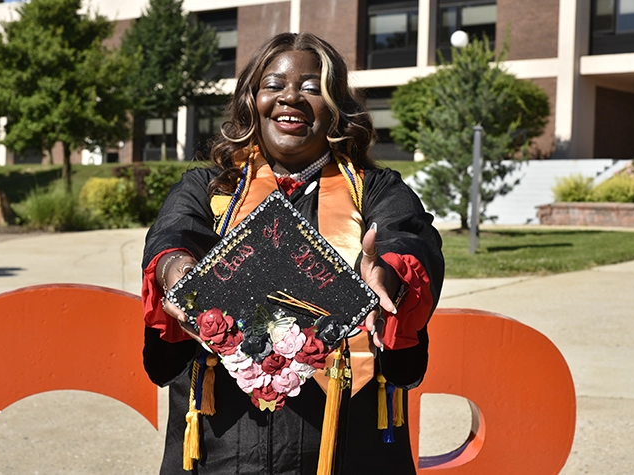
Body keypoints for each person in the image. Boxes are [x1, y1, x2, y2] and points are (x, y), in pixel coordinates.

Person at [141, 32, 444, 475]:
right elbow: (173, 234)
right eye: (274, 85)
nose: (291, 98)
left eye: (311, 87)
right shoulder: (211, 189)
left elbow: (408, 236)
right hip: (226, 442)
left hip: (347, 441)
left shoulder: (375, 190)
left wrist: (389, 274)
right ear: (252, 100)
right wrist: (177, 273)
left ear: (337, 106)